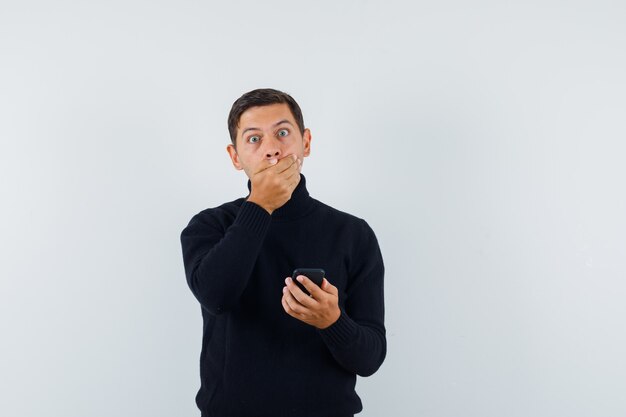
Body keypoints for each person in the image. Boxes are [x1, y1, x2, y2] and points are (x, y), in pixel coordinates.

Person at [180, 88, 386, 417]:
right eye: (253, 139)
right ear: (235, 157)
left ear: (306, 142)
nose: (272, 149)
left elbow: (370, 359)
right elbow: (216, 295)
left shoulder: (353, 234)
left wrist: (332, 321)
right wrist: (260, 204)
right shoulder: (209, 226)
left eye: (282, 133)